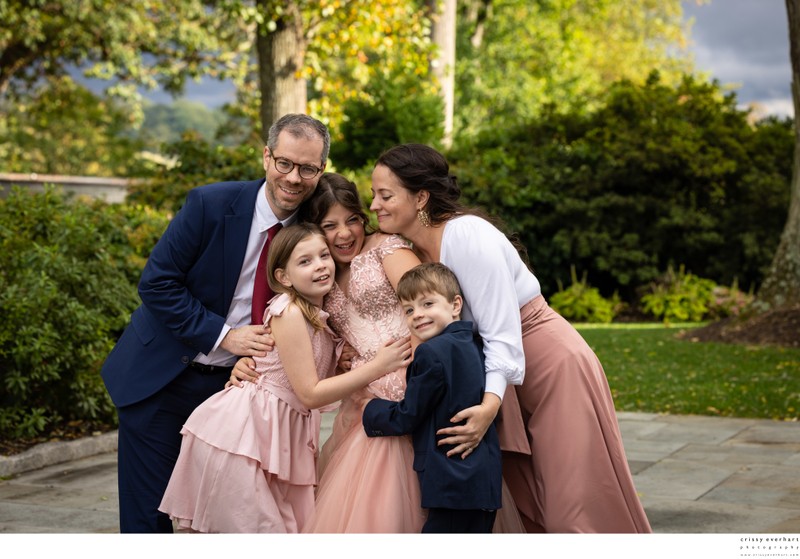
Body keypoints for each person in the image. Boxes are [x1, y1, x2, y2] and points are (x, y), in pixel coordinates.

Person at [368, 143, 652, 534]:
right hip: (500, 374)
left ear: (421, 198)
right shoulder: (415, 250)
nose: (374, 205)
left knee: (574, 502)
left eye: (385, 196)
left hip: (550, 365)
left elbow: (501, 333)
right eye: (373, 195)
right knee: (529, 496)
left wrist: (488, 407)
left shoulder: (467, 235)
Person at [101, 113, 331, 533]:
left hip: (235, 393)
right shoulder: (210, 204)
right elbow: (157, 284)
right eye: (285, 163)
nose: (294, 178)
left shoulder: (314, 232)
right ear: (267, 157)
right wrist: (225, 337)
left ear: (321, 170)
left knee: (222, 523)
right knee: (147, 521)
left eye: (307, 168)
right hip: (162, 379)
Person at [157, 223, 412, 533]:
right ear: (283, 277)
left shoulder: (321, 319)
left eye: (324, 256)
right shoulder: (289, 313)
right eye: (305, 261)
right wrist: (378, 366)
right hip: (247, 434)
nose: (320, 266)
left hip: (284, 435)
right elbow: (310, 393)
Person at [233, 172, 427, 532]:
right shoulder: (319, 279)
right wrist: (248, 361)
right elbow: (307, 338)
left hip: (412, 378)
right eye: (330, 226)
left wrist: (417, 378)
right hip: (364, 397)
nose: (344, 233)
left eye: (352, 220)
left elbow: (430, 306)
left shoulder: (386, 249)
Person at [362, 262, 502, 534]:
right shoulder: (476, 345)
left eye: (427, 304)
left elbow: (408, 416)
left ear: (455, 304)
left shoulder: (431, 353)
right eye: (409, 310)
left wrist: (370, 409)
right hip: (482, 479)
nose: (417, 315)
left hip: (450, 480)